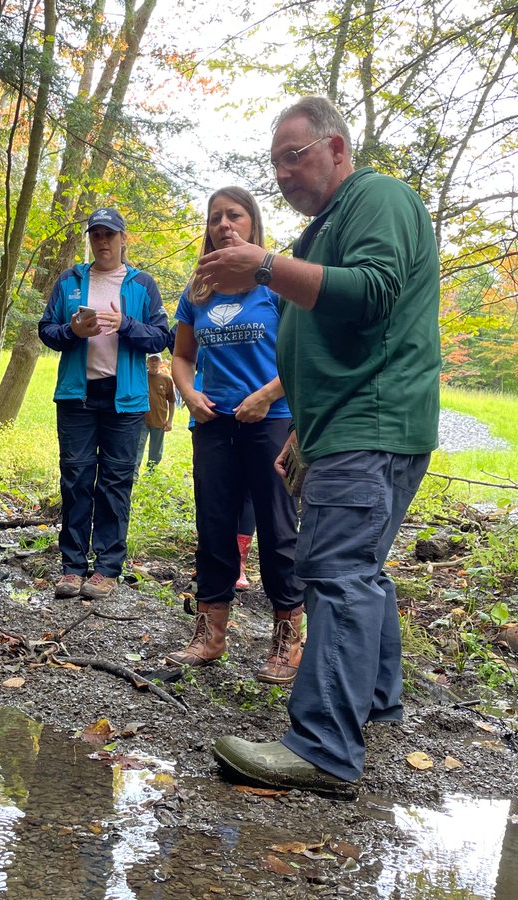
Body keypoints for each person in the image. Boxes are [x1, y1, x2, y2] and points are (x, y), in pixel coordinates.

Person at [198, 97, 441, 795]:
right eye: (274, 160)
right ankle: (373, 703)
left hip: (373, 424)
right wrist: (306, 427)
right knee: (361, 566)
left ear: (337, 149)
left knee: (334, 571)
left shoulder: (379, 197)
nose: (281, 171)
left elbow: (372, 295)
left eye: (294, 154)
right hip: (343, 425)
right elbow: (335, 336)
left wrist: (265, 266)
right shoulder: (323, 231)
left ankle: (324, 747)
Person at [163, 187, 304, 684]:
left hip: (270, 421)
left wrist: (267, 396)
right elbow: (182, 356)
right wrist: (187, 392)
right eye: (216, 217)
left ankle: (287, 640)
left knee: (278, 529)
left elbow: (302, 356)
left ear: (253, 224)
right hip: (213, 423)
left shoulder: (277, 286)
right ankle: (209, 634)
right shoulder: (199, 290)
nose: (224, 224)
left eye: (235, 216)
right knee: (215, 526)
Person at [38, 207, 170, 600]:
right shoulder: (70, 280)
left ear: (123, 239)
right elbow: (47, 330)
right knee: (76, 479)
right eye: (96, 235)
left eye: (109, 235)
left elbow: (161, 337)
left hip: (125, 400)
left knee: (115, 484)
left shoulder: (141, 284)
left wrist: (125, 325)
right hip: (77, 397)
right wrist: (72, 330)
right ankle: (72, 567)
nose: (102, 242)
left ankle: (107, 569)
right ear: (90, 240)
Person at [135, 354, 175, 471]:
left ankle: (151, 472)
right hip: (142, 419)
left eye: (156, 360)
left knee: (156, 449)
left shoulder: (166, 379)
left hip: (159, 420)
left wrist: (170, 420)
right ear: (146, 362)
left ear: (160, 362)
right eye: (151, 360)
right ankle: (134, 474)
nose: (153, 362)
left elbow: (172, 401)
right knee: (138, 446)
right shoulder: (142, 377)